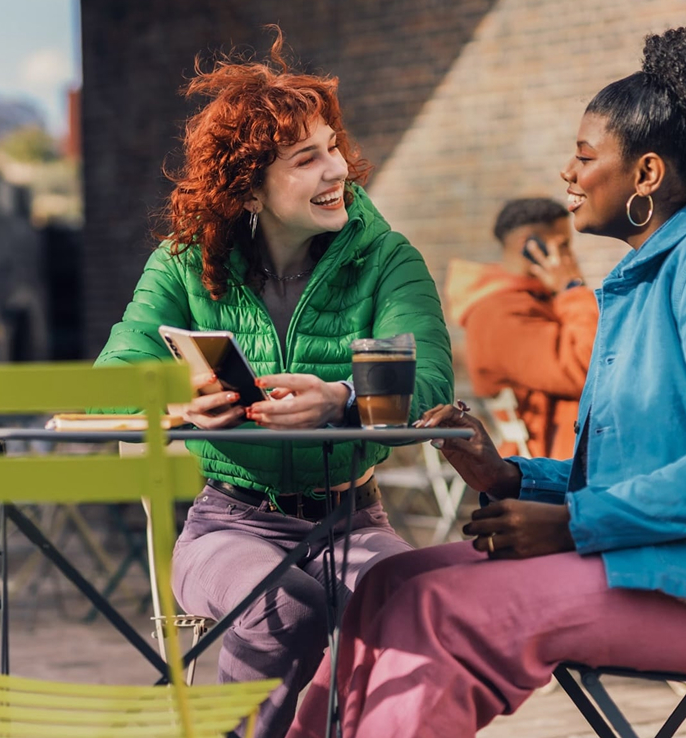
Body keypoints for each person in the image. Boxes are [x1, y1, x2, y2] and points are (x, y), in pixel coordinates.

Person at [289, 25, 686, 737]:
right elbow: (638, 471)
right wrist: (508, 477)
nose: (567, 172)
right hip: (677, 567)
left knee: (445, 609)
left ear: (647, 175)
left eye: (586, 156)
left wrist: (575, 526)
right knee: (387, 584)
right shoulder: (648, 276)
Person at [93, 29, 453, 738]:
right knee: (278, 604)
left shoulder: (387, 259)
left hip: (353, 519)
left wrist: (345, 402)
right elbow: (114, 379)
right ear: (250, 186)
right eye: (307, 158)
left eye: (334, 148)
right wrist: (180, 396)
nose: (338, 170)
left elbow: (431, 379)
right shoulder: (185, 262)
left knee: (424, 608)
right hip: (226, 521)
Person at [448, 198, 597, 458]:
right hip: (547, 465)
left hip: (574, 449)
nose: (570, 258)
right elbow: (589, 369)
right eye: (563, 246)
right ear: (527, 244)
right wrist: (572, 290)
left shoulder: (535, 299)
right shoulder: (499, 313)